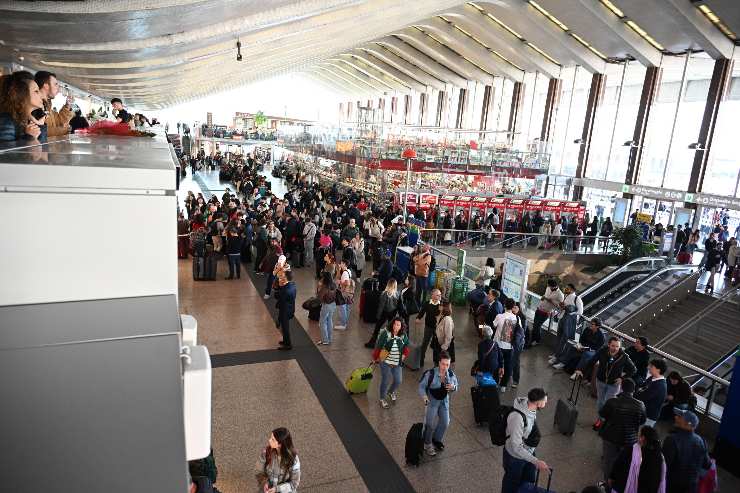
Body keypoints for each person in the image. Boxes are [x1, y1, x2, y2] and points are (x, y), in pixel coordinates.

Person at [577, 337, 637, 430]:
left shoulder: (624, 356)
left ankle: (606, 422)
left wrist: (622, 378)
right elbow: (592, 361)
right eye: (613, 346)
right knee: (600, 402)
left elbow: (633, 369)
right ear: (609, 345)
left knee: (608, 403)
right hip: (600, 381)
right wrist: (582, 370)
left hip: (613, 385)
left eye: (617, 346)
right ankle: (600, 419)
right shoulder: (602, 351)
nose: (615, 348)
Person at [501, 387, 550, 493]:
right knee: (511, 484)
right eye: (545, 401)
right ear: (538, 403)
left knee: (529, 480)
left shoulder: (531, 407)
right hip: (515, 456)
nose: (546, 402)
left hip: (528, 451)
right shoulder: (517, 418)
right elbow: (516, 446)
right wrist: (535, 461)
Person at [598, 378, 647, 481]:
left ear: (621, 388)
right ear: (633, 390)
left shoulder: (612, 401)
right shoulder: (640, 405)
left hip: (610, 436)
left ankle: (606, 483)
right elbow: (642, 421)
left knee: (608, 462)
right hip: (629, 440)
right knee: (623, 462)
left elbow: (602, 414)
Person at [418, 350, 458, 457]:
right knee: (430, 424)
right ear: (439, 363)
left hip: (444, 401)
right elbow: (421, 387)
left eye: (448, 364)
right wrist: (425, 397)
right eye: (443, 364)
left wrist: (453, 387)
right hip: (432, 401)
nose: (445, 367)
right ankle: (427, 444)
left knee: (445, 422)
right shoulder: (430, 374)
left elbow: (456, 386)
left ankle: (436, 439)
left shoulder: (450, 374)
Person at [662, 410, 710, 493]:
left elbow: (663, 464)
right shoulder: (701, 441)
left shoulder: (672, 440)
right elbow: (707, 464)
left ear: (688, 424)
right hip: (692, 485)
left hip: (672, 485)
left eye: (680, 417)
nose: (675, 417)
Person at [609, 425, 667, 493]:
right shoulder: (660, 457)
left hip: (623, 487)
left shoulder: (632, 450)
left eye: (639, 435)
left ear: (642, 438)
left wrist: (611, 477)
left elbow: (617, 465)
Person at [373, 317, 410, 409]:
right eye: (394, 324)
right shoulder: (385, 334)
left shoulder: (403, 335)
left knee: (398, 380)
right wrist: (375, 358)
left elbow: (406, 347)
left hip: (397, 362)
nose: (395, 326)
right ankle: (382, 398)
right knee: (386, 380)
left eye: (398, 325)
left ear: (401, 327)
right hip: (385, 361)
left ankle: (390, 391)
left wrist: (404, 356)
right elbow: (379, 346)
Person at [0, 71, 47, 142]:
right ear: (23, 95)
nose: (41, 95)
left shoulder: (27, 119)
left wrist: (40, 125)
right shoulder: (6, 120)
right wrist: (29, 137)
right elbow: (5, 151)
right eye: (36, 91)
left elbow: (41, 148)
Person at [255, 427, 301, 493]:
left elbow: (294, 484)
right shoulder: (266, 453)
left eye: (273, 440)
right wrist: (264, 483)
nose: (269, 440)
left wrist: (277, 489)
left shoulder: (293, 460)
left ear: (280, 444)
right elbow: (258, 471)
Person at [34, 71, 73, 137]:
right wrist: (63, 130)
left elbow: (58, 122)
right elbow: (39, 132)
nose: (58, 88)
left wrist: (67, 106)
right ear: (46, 86)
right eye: (55, 84)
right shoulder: (35, 106)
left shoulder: (47, 106)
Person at [365, 278, 400, 348]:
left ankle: (372, 343)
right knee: (392, 329)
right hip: (392, 313)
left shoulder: (384, 294)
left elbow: (381, 306)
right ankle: (391, 345)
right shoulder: (397, 294)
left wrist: (378, 316)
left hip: (384, 313)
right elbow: (397, 305)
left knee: (377, 328)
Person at [493, 299, 518, 393]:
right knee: (507, 366)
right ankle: (503, 385)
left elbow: (494, 325)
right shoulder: (516, 318)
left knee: (496, 365)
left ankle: (495, 383)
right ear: (513, 307)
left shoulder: (499, 316)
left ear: (504, 305)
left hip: (498, 345)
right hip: (509, 347)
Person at [531, 279, 564, 347]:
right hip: (539, 308)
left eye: (550, 286)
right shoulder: (548, 288)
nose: (548, 287)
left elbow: (560, 307)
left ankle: (537, 340)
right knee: (535, 325)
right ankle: (533, 339)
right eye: (548, 285)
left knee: (537, 326)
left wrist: (551, 301)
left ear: (555, 286)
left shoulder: (560, 295)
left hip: (546, 312)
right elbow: (545, 295)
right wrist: (543, 297)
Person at [635, 359, 668, 427]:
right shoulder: (652, 378)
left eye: (651, 366)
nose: (648, 367)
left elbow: (643, 396)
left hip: (648, 417)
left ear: (658, 370)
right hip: (642, 412)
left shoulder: (659, 385)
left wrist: (636, 392)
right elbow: (641, 387)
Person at [415, 288, 442, 368]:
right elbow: (422, 312)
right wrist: (418, 318)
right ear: (432, 296)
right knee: (425, 343)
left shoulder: (441, 305)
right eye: (438, 295)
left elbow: (444, 316)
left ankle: (436, 362)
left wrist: (441, 311)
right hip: (428, 327)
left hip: (437, 328)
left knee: (436, 345)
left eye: (440, 295)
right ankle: (421, 360)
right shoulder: (427, 303)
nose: (440, 296)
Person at [277, 271, 297, 350]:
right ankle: (285, 341)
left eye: (282, 276)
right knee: (284, 326)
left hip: (285, 310)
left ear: (286, 278)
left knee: (285, 328)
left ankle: (288, 345)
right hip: (289, 308)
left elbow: (280, 297)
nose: (281, 277)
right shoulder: (292, 285)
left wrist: (278, 291)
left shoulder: (286, 290)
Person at [316, 272, 336, 346]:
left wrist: (318, 287)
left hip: (326, 305)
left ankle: (325, 340)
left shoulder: (324, 286)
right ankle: (329, 339)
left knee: (322, 322)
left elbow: (319, 297)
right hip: (333, 304)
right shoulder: (333, 284)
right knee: (329, 320)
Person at [335, 258, 354, 330]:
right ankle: (345, 322)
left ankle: (343, 324)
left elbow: (347, 283)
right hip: (349, 293)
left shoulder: (345, 273)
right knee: (346, 308)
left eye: (341, 263)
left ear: (344, 264)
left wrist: (340, 282)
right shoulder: (348, 271)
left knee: (342, 308)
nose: (340, 264)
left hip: (344, 292)